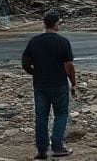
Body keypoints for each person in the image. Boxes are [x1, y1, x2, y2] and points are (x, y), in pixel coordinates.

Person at [22, 11, 76, 159]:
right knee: (61, 114)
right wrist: (73, 83)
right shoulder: (63, 42)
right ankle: (57, 146)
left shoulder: (34, 41)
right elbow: (69, 66)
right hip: (58, 83)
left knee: (41, 117)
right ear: (57, 24)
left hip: (40, 84)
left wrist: (35, 73)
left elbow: (25, 63)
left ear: (44, 24)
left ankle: (41, 150)